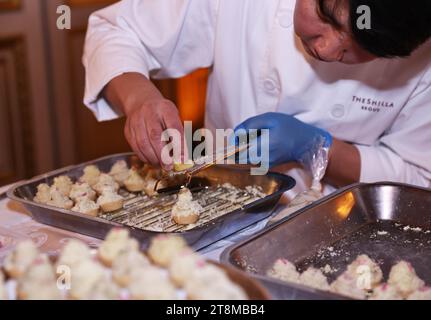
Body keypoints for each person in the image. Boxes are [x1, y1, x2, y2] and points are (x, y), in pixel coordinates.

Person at [83, 0, 431, 195]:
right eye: (325, 18)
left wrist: (317, 147)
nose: (325, 49)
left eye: (362, 48)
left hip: (346, 225)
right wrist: (138, 98)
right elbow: (117, 29)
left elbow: (419, 178)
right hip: (219, 205)